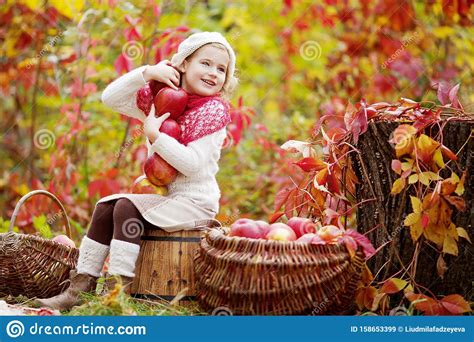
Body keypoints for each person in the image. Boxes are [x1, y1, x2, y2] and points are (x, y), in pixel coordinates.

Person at [34, 31, 238, 310]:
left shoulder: (212, 111)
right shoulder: (162, 100)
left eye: (222, 69)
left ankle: (117, 292)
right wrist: (147, 72)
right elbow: (110, 98)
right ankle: (79, 288)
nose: (214, 72)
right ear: (182, 64)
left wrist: (157, 137)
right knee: (106, 206)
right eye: (205, 63)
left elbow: (192, 164)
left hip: (196, 203)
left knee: (126, 208)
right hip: (170, 199)